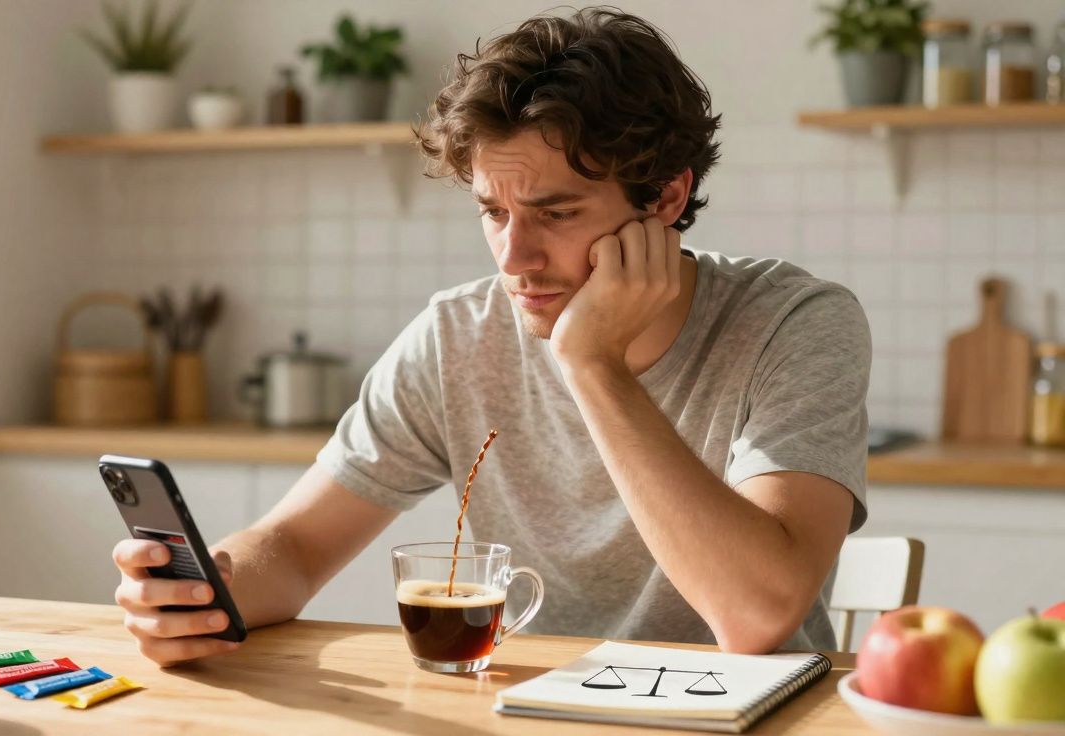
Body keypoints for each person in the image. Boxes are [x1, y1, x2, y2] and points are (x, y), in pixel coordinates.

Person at [112, 7, 869, 665]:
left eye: (557, 212)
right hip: (530, 713)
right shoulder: (456, 336)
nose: (514, 258)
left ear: (666, 196)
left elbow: (757, 616)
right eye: (494, 212)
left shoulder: (794, 322)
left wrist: (591, 362)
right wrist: (215, 588)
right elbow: (300, 546)